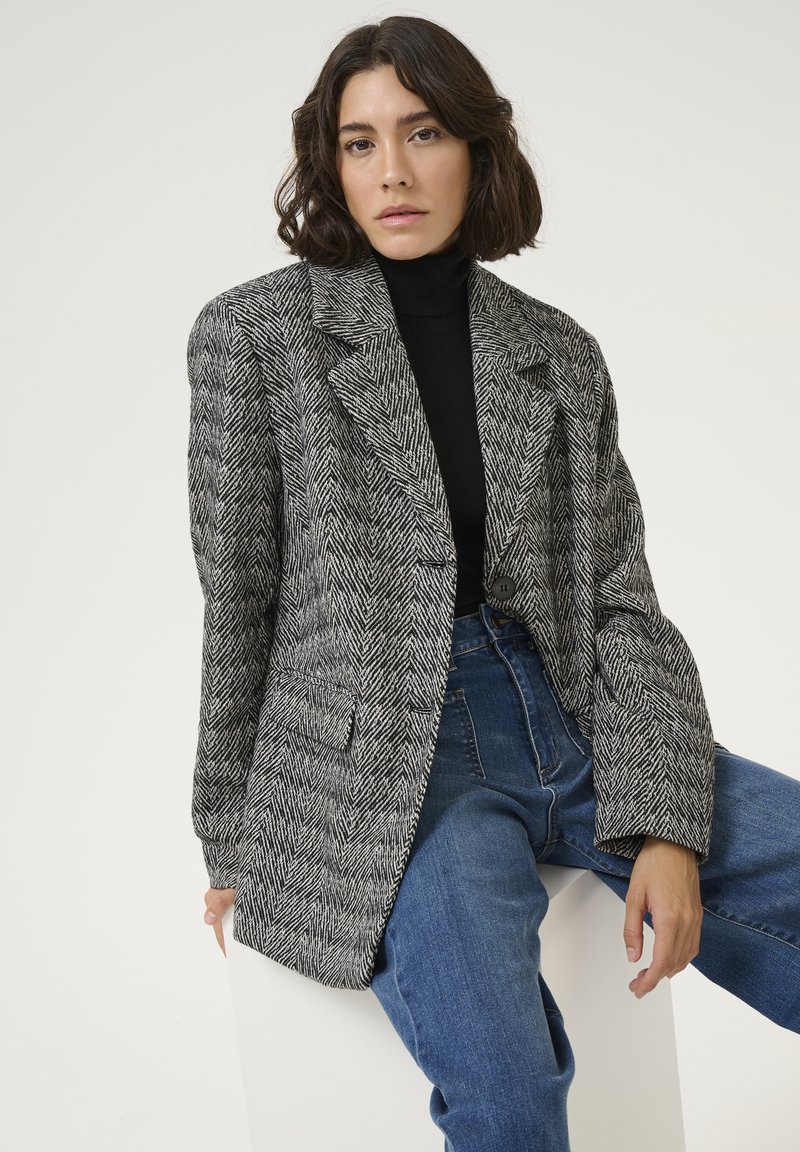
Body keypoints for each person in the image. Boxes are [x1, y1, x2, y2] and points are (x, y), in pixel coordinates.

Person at [187, 14, 800, 1150]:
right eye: (360, 143)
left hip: (568, 714)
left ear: (476, 148)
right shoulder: (254, 339)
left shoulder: (556, 351)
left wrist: (664, 827)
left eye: (422, 133)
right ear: (330, 163)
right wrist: (229, 840)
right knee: (507, 1091)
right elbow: (240, 600)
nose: (393, 171)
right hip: (391, 765)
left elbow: (620, 601)